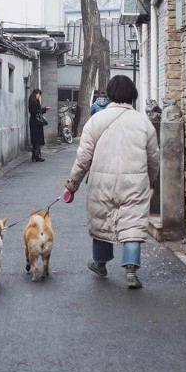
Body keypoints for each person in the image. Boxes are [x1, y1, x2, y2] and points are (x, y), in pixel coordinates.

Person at [64, 75, 160, 289]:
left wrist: (74, 182)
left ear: (110, 94)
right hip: (135, 182)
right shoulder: (143, 123)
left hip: (101, 183)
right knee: (133, 223)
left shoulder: (96, 121)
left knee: (102, 219)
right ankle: (131, 272)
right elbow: (153, 157)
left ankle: (100, 263)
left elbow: (84, 157)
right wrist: (151, 180)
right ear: (132, 95)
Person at [27, 88, 49, 162]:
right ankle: (36, 156)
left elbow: (38, 111)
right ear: (35, 94)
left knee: (37, 139)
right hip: (35, 122)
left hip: (37, 122)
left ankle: (35, 155)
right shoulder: (32, 102)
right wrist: (44, 109)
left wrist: (44, 109)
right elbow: (35, 112)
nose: (39, 96)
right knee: (36, 139)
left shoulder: (35, 101)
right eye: (39, 94)